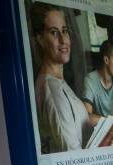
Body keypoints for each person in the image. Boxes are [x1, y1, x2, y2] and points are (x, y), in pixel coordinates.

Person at [31, 2, 92, 154]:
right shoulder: (52, 91)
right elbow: (72, 158)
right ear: (40, 39)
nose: (63, 40)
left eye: (64, 31)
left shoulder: (58, 81)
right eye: (54, 32)